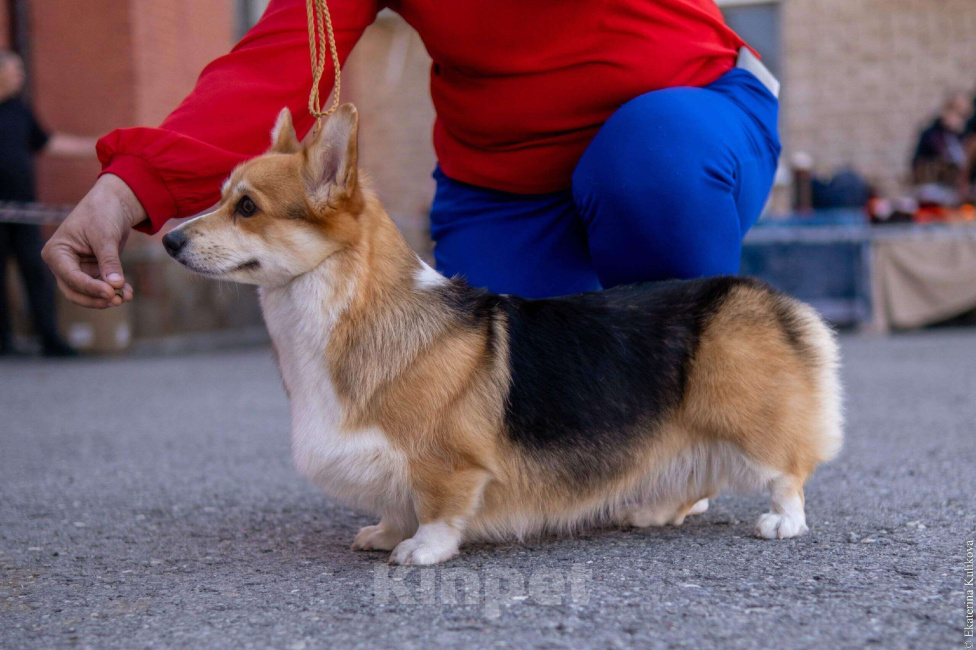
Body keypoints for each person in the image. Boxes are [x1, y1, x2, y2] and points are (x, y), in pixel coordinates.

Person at [43, 0, 781, 306]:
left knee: (654, 162)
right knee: (501, 414)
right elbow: (280, 61)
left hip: (687, 127)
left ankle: (689, 397)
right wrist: (126, 188)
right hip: (506, 190)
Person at [0, 50, 95, 356]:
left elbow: (49, 143)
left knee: (36, 269)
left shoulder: (20, 110)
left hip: (25, 211)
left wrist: (98, 146)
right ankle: (4, 342)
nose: (20, 76)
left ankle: (49, 338)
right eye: (15, 70)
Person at [911, 92, 972, 205]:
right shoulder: (932, 133)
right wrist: (948, 129)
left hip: (958, 188)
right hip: (935, 187)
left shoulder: (964, 135)